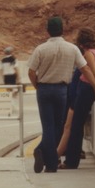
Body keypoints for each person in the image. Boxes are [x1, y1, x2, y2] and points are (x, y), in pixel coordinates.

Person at [26, 17, 82, 174]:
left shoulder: (40, 49)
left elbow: (31, 71)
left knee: (48, 126)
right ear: (62, 29)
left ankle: (45, 156)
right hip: (61, 90)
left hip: (44, 89)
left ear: (48, 30)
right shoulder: (72, 48)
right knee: (58, 127)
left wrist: (37, 86)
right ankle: (48, 160)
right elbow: (83, 66)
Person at [56, 28, 95, 169]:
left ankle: (71, 161)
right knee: (76, 126)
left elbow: (94, 73)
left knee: (76, 127)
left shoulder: (88, 54)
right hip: (87, 89)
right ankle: (70, 159)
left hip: (85, 89)